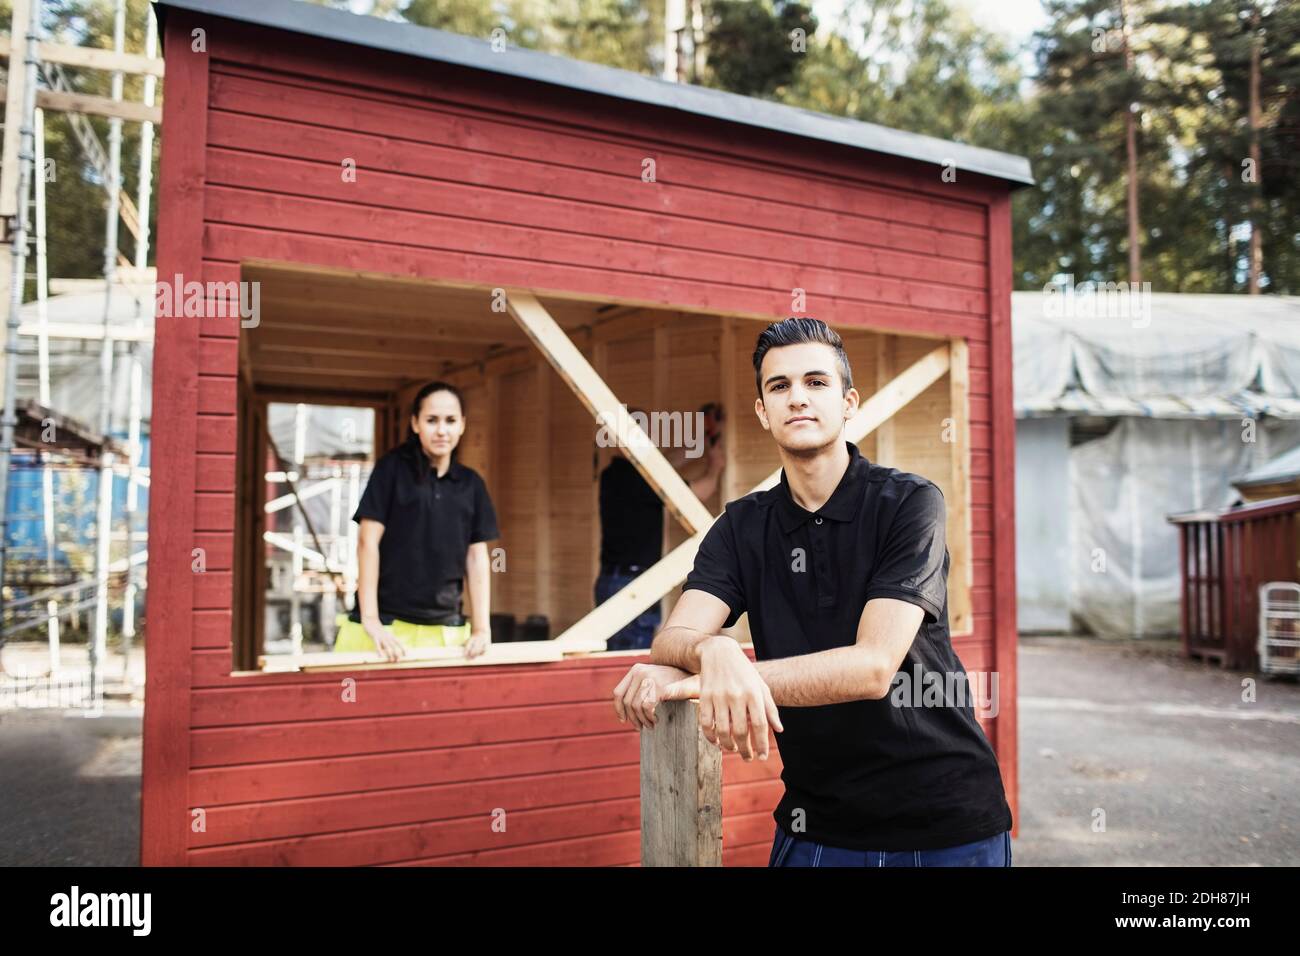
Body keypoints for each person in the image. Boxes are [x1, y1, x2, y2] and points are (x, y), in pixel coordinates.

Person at [611, 318, 1013, 867]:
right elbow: (675, 636)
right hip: (818, 822)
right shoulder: (741, 527)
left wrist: (700, 682)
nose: (797, 398)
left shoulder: (909, 504)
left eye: (815, 382)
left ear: (848, 403)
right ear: (762, 411)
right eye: (779, 387)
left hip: (943, 822)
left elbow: (873, 668)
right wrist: (715, 650)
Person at [334, 381, 499, 661]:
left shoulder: (472, 485)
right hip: (384, 629)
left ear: (462, 425)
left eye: (450, 420)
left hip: (446, 630)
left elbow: (477, 557)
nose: (442, 430)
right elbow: (367, 541)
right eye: (432, 420)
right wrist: (371, 620)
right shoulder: (391, 470)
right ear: (415, 424)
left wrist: (482, 629)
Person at [596, 405, 725, 651]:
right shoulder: (639, 479)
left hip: (614, 580)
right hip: (632, 585)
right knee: (629, 661)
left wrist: (702, 439)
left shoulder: (614, 473)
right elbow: (701, 491)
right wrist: (715, 468)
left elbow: (664, 464)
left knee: (616, 659)